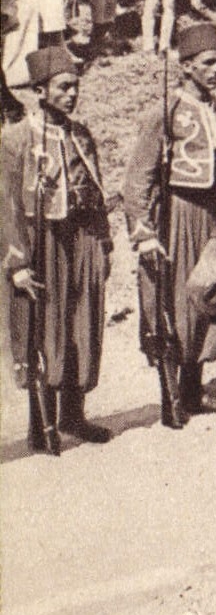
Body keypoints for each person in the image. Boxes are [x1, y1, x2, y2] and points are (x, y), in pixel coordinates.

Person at [123, 20, 216, 418]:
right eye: (208, 63)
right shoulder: (164, 111)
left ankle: (194, 387)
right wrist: (142, 231)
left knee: (210, 298)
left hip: (215, 216)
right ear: (187, 65)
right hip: (177, 216)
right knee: (175, 303)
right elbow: (139, 176)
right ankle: (171, 394)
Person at [1, 43, 112, 448]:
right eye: (63, 87)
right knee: (44, 330)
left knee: (82, 325)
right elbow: (6, 205)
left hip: (82, 239)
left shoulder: (81, 134)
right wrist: (17, 263)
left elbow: (96, 192)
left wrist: (105, 244)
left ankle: (74, 416)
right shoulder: (15, 139)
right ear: (41, 91)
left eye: (75, 87)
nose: (72, 94)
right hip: (41, 242)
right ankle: (41, 426)